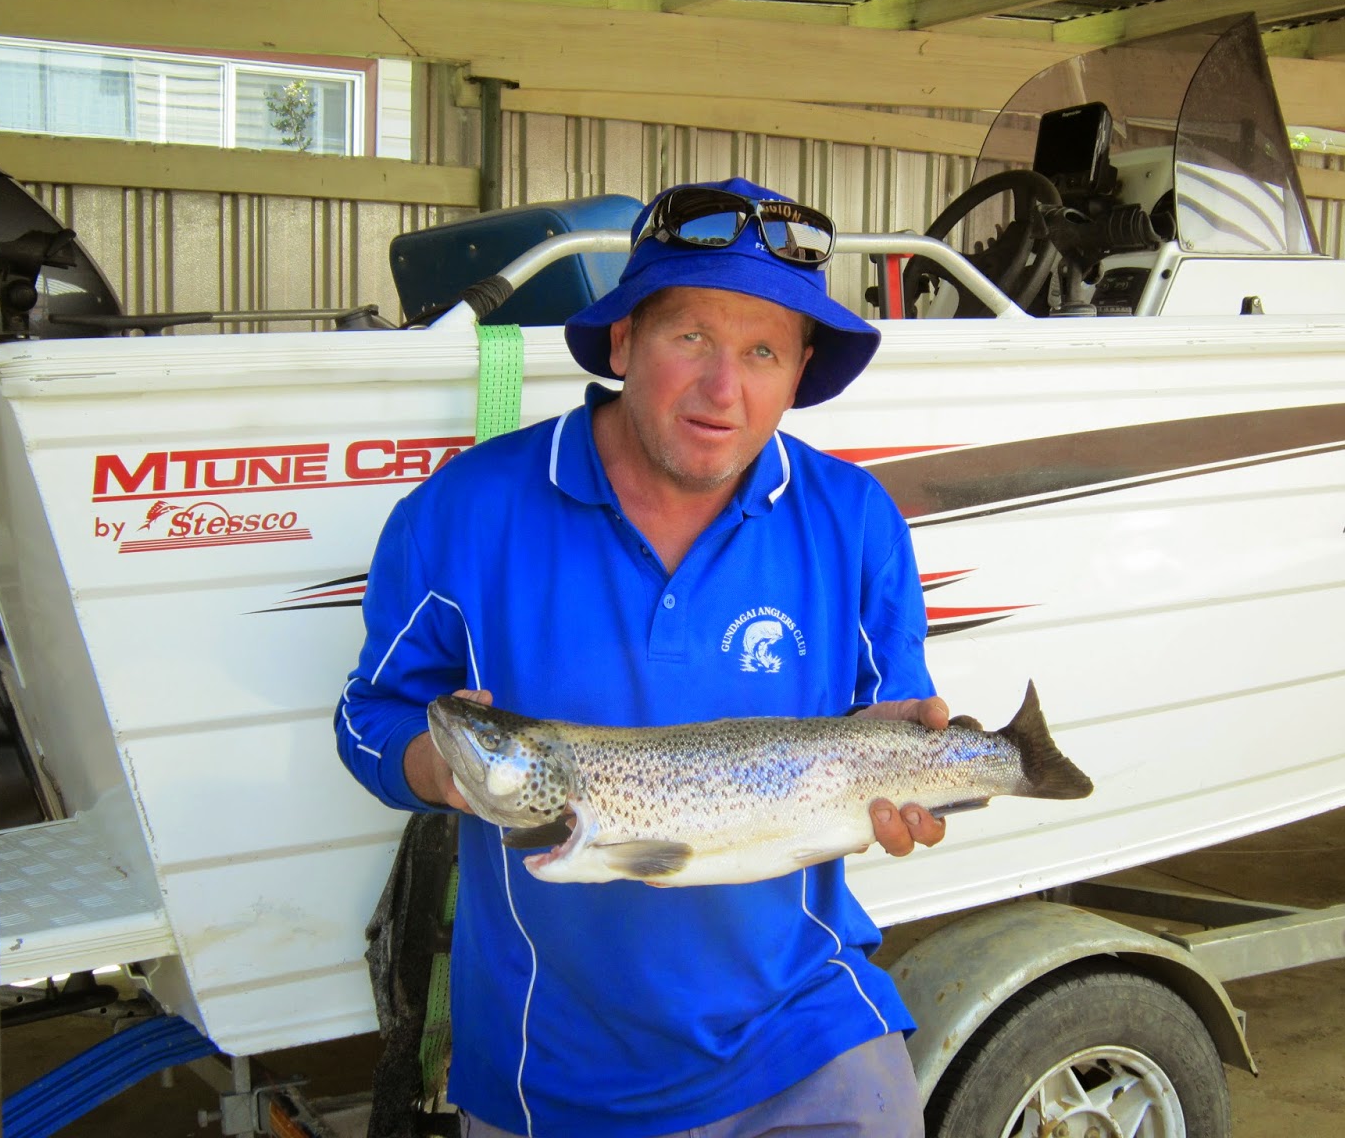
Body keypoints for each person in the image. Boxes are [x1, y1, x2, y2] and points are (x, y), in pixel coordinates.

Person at [337, 177, 951, 1138]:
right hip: (560, 1070)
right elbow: (367, 716)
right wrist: (438, 767)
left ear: (799, 374)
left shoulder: (855, 518)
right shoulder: (465, 510)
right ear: (622, 342)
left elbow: (891, 712)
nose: (724, 388)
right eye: (691, 339)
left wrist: (907, 770)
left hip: (808, 1036)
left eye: (762, 353)